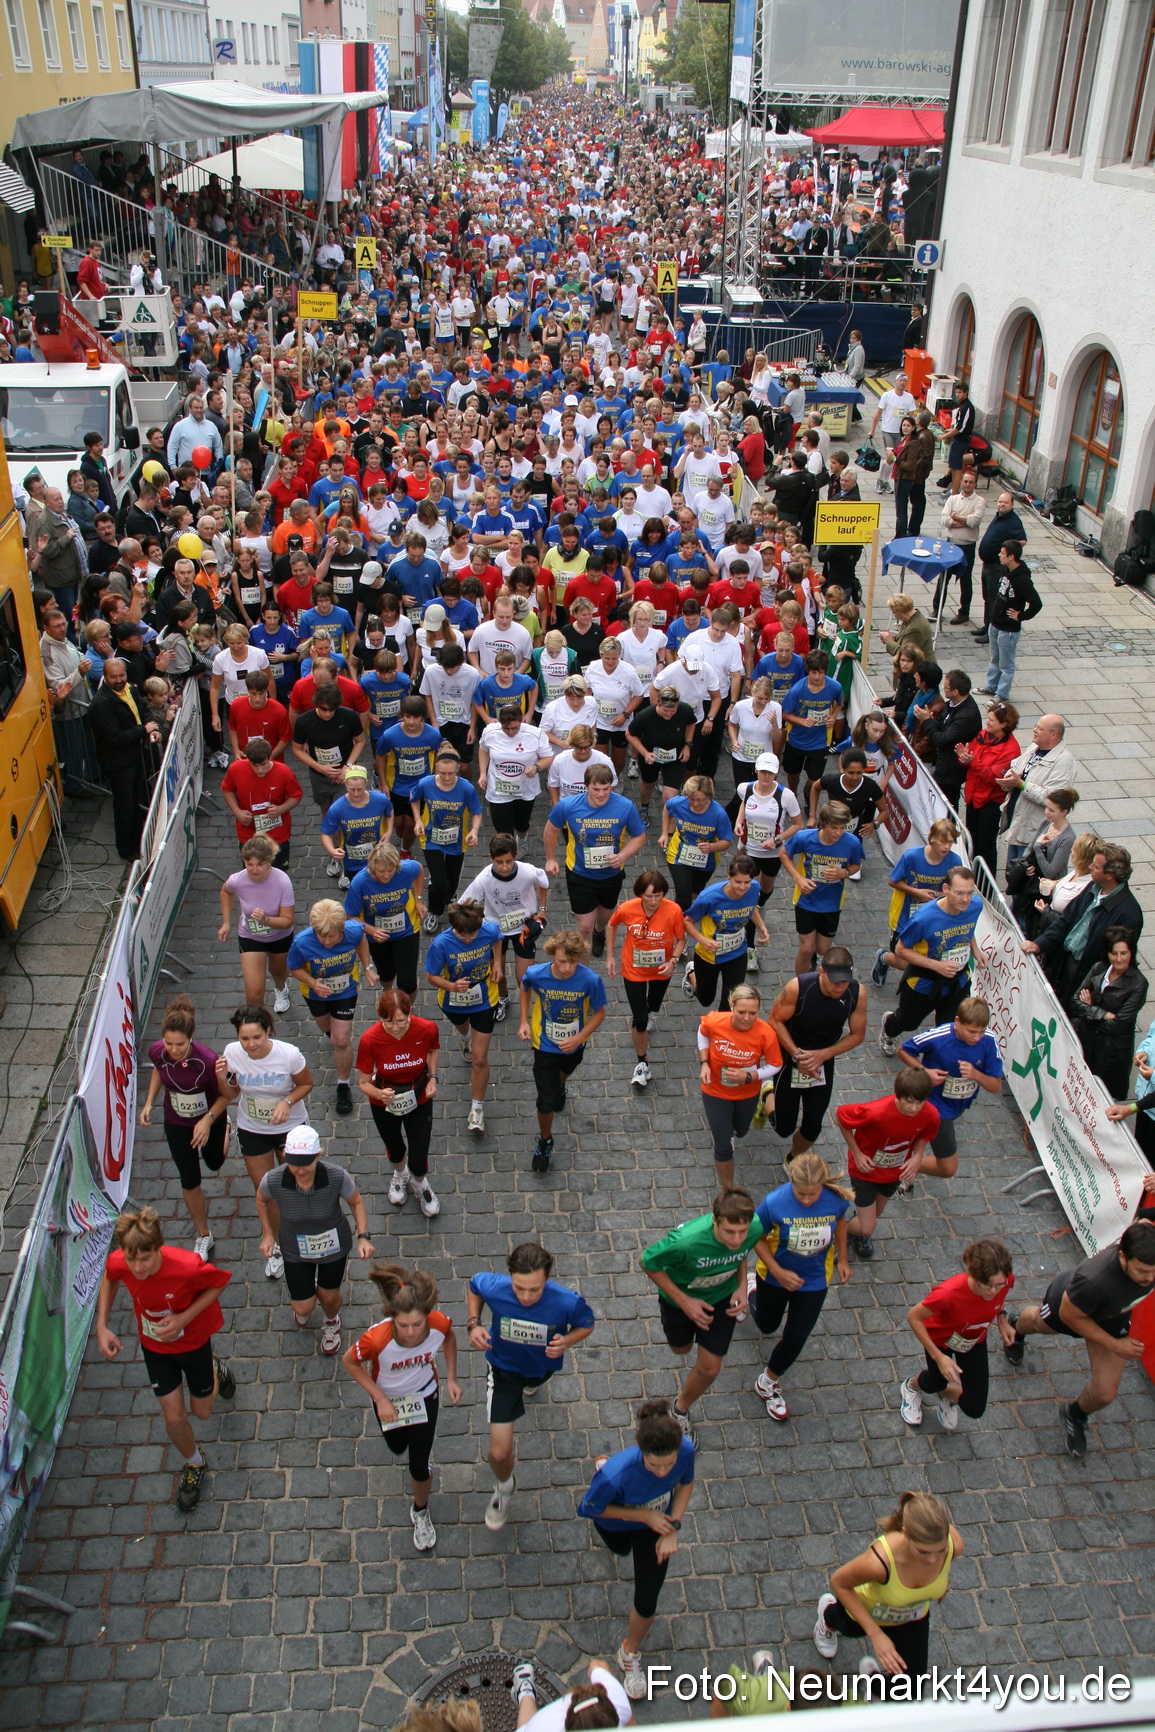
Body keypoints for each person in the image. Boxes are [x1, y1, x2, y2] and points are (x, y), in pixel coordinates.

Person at [95, 1206, 235, 1514]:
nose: (138, 1267)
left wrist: (184, 1317)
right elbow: (109, 1276)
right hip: (156, 1348)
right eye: (132, 1259)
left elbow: (219, 1282)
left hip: (194, 1342)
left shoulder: (187, 1266)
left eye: (145, 1259)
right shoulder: (122, 1262)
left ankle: (214, 1368)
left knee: (202, 1412)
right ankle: (193, 1462)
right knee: (174, 1418)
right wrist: (102, 1325)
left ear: (159, 1248)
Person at [466, 1241, 595, 1529]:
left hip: (541, 1368)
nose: (526, 1296)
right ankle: (504, 1486)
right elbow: (474, 1286)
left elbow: (587, 1324)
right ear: (509, 1276)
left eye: (534, 1289)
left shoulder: (567, 1302)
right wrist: (473, 1323)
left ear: (547, 1279)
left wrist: (567, 1341)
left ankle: (531, 1387)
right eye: (519, 1288)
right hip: (503, 1371)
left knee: (534, 1383)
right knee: (499, 1452)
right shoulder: (494, 1286)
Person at [1003, 1221, 1155, 1457]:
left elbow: (1144, 1219)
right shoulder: (1093, 1280)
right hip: (1071, 1307)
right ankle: (1016, 1328)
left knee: (1105, 1392)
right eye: (1143, 1271)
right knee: (1036, 1323)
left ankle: (1075, 1414)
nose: (1149, 1278)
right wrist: (1115, 1345)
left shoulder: (1147, 1253)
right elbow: (1069, 1316)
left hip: (1112, 1316)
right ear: (1123, 1257)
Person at [577, 1401, 695, 1700]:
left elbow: (685, 1484)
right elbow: (591, 1509)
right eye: (654, 1465)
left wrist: (673, 1526)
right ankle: (603, 1464)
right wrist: (644, 1515)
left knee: (647, 1598)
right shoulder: (617, 1475)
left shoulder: (686, 1450)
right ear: (641, 1452)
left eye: (668, 1463)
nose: (663, 1471)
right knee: (620, 1550)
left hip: (656, 1528)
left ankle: (629, 1653)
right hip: (617, 1524)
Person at [343, 1262, 460, 1552]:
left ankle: (420, 1510)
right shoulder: (376, 1339)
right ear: (392, 1317)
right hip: (389, 1400)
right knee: (396, 1446)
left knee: (418, 1465)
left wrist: (452, 1378)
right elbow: (350, 1361)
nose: (410, 1332)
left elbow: (449, 1340)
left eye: (417, 1324)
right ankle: (403, 1442)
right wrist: (380, 1398)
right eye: (403, 1324)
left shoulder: (439, 1324)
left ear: (427, 1316)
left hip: (424, 1396)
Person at [640, 1186, 774, 1437]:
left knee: (710, 1367)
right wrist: (684, 1301)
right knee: (681, 1349)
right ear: (715, 1221)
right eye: (729, 1232)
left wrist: (742, 1286)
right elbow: (647, 1261)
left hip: (722, 1298)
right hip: (680, 1302)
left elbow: (742, 1252)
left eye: (741, 1232)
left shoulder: (754, 1227)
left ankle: (679, 1410)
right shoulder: (685, 1242)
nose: (736, 1239)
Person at [813, 1492, 963, 1690]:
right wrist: (876, 1635)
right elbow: (839, 1583)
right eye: (923, 1552)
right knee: (844, 1625)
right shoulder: (879, 1562)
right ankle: (827, 1618)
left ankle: (875, 1685)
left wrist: (941, 1585)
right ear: (906, 1533)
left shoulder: (955, 1545)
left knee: (911, 1686)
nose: (932, 1560)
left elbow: (942, 1568)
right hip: (867, 1611)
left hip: (911, 1617)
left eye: (940, 1550)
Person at [748, 1153, 853, 1422]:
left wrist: (843, 1257)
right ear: (791, 1181)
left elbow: (840, 1222)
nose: (807, 1200)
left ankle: (768, 1382)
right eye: (801, 1194)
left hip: (815, 1280)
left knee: (796, 1337)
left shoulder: (836, 1199)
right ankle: (752, 1292)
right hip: (773, 1278)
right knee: (768, 1325)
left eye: (813, 1194)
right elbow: (755, 1237)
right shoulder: (774, 1202)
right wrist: (777, 1270)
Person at [256, 1124, 375, 1358]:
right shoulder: (274, 1179)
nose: (300, 1170)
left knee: (328, 1296)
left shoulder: (336, 1176)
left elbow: (356, 1202)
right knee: (303, 1307)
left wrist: (363, 1236)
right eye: (294, 1163)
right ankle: (308, 1301)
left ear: (318, 1156)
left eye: (306, 1163)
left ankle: (332, 1320)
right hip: (295, 1249)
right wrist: (268, 1233)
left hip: (333, 1247)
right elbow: (262, 1199)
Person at [215, 1003, 314, 1277]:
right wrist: (223, 1078)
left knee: (296, 1184)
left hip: (290, 1127)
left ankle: (300, 1235)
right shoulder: (232, 1053)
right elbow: (231, 1093)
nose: (250, 1044)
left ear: (268, 1031)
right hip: (253, 1127)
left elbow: (306, 1084)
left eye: (256, 1037)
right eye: (244, 1038)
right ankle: (278, 1243)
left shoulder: (289, 1055)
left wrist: (286, 1101)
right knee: (266, 1189)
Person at [139, 996, 232, 1261]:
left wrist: (208, 1120)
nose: (174, 1049)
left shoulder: (207, 1060)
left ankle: (227, 1131)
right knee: (189, 1179)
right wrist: (149, 1103)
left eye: (180, 1044)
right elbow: (159, 1069)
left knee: (215, 1163)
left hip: (209, 1119)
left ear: (191, 1038)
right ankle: (204, 1234)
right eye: (169, 1043)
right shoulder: (158, 1051)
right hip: (177, 1121)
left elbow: (226, 1096)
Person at [899, 1239, 1016, 1433]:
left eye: (999, 1284)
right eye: (987, 1285)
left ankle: (947, 1394)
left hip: (973, 1340)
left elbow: (999, 1299)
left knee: (975, 1407)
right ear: (973, 1274)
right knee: (935, 1381)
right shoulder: (948, 1294)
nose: (993, 1291)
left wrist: (1002, 1321)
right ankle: (911, 1386)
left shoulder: (1005, 1281)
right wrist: (939, 1358)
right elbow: (914, 1317)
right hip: (941, 1341)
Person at [518, 928, 608, 1170]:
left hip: (573, 1045)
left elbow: (600, 1013)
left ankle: (559, 1084)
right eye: (562, 962)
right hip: (544, 1043)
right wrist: (524, 1021)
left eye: (572, 962)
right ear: (552, 956)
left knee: (564, 1072)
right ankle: (545, 1140)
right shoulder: (537, 974)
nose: (567, 968)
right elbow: (524, 986)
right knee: (545, 1102)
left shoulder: (590, 980)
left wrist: (579, 1038)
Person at [767, 949, 866, 1162]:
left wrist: (823, 1055)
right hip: (791, 1058)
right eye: (834, 982)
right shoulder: (799, 987)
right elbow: (774, 1020)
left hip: (822, 1061)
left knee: (813, 1127)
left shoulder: (857, 993)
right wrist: (797, 1055)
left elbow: (858, 1034)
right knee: (783, 1128)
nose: (840, 988)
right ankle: (767, 1093)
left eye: (844, 983)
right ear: (822, 972)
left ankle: (792, 1159)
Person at [355, 988, 442, 1217]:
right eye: (388, 1022)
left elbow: (433, 1050)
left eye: (401, 1021)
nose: (395, 1028)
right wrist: (378, 1094)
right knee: (395, 1149)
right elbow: (363, 1083)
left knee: (419, 1153)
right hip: (385, 1102)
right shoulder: (369, 1040)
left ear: (410, 1011)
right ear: (378, 1015)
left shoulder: (427, 1028)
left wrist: (432, 1078)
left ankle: (420, 1183)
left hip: (419, 1095)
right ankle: (400, 1175)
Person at [897, 994, 1003, 1179]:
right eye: (971, 1031)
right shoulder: (940, 1037)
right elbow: (903, 1050)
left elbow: (995, 1086)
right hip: (936, 1107)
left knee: (917, 1138)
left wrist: (976, 1075)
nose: (977, 1037)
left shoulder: (989, 1040)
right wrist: (924, 1072)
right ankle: (902, 1167)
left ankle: (904, 1163)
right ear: (957, 1022)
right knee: (948, 1168)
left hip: (957, 1105)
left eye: (981, 1031)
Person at [878, 866, 982, 1054]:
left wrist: (975, 948)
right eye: (959, 893)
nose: (965, 899)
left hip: (957, 979)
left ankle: (938, 1061)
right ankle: (889, 1027)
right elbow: (901, 949)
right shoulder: (924, 918)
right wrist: (937, 965)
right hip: (924, 980)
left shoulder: (975, 906)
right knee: (908, 1022)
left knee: (949, 1028)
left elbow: (969, 927)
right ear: (945, 889)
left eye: (969, 893)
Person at [286, 898, 376, 1116]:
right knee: (327, 1029)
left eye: (332, 936)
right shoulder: (301, 942)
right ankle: (333, 1036)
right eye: (321, 935)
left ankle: (343, 1085)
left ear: (341, 929)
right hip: (317, 994)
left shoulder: (353, 930)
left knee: (342, 1039)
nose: (326, 941)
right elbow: (294, 967)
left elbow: (362, 940)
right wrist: (312, 983)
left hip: (346, 990)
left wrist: (367, 966)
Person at [544, 763, 647, 952]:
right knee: (584, 927)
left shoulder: (625, 806)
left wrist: (622, 856)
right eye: (596, 789)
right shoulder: (568, 806)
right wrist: (551, 858)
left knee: (605, 914)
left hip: (611, 873)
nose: (601, 794)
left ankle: (600, 931)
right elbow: (550, 829)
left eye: (606, 789)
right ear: (586, 787)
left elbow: (639, 836)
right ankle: (583, 972)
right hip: (579, 872)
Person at [839, 1070, 940, 1261]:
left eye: (920, 1102)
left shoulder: (930, 1114)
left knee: (877, 1211)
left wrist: (918, 1156)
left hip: (894, 1173)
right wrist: (857, 1153)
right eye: (909, 1102)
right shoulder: (875, 1112)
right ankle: (839, 1230)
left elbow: (925, 1134)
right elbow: (842, 1116)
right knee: (868, 1226)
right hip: (865, 1172)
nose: (914, 1108)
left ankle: (858, 1231)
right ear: (897, 1095)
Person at [1028, 843, 1144, 1008]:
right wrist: (1039, 943)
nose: (1090, 867)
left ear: (1110, 875)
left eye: (1095, 866)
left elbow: (1118, 961)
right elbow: (1065, 921)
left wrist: (1094, 992)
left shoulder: (1129, 914)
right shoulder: (1093, 888)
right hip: (1065, 961)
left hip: (1085, 974)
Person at [424, 900, 503, 1135]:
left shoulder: (488, 930)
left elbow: (498, 938)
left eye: (472, 935)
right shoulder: (441, 944)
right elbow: (430, 976)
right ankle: (466, 1036)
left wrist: (497, 962)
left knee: (479, 1059)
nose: (468, 939)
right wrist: (451, 985)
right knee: (462, 1028)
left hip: (485, 997)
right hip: (453, 1000)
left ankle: (477, 1108)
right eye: (462, 935)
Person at [606, 869, 685, 1089]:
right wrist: (611, 956)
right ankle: (642, 1063)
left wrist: (674, 961)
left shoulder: (674, 911)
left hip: (661, 969)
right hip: (634, 970)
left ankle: (650, 1011)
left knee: (654, 1005)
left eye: (657, 896)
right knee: (639, 1019)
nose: (652, 901)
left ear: (664, 895)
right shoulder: (627, 909)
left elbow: (681, 939)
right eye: (648, 896)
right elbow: (612, 925)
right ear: (640, 894)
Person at [697, 984, 782, 1187]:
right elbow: (702, 1032)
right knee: (724, 1145)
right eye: (741, 1012)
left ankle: (763, 1095)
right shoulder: (716, 1021)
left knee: (741, 1131)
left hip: (747, 1092)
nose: (747, 1018)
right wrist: (705, 1063)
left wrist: (750, 1076)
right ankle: (729, 1189)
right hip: (715, 1091)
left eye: (753, 1013)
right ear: (731, 1006)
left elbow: (776, 1064)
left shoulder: (765, 1033)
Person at [86, 657, 162, 859]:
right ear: (105, 677)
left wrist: (151, 728)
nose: (119, 680)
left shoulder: (130, 688)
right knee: (125, 806)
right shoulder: (101, 704)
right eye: (114, 677)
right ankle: (126, 849)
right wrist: (143, 730)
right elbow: (115, 737)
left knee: (137, 799)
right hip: (119, 762)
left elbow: (143, 710)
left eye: (122, 675)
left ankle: (140, 839)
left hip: (135, 754)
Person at [780, 800, 865, 975]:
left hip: (832, 903)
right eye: (834, 828)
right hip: (806, 900)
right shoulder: (805, 838)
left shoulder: (852, 843)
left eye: (843, 828)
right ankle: (802, 986)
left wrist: (844, 873)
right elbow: (784, 854)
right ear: (823, 824)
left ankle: (812, 957)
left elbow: (856, 865)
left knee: (821, 949)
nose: (839, 832)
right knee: (806, 948)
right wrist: (798, 879)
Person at [1069, 930, 1149, 1101]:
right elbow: (1075, 1001)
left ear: (1131, 953)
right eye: (1114, 953)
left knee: (1101, 1098)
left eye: (1123, 953)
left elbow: (1116, 1025)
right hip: (1086, 1041)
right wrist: (1102, 1014)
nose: (1119, 959)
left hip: (1110, 1052)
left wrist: (1089, 1010)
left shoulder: (1138, 984)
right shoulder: (1099, 968)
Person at [218, 836, 295, 1013]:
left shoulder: (282, 881)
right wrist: (226, 923)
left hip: (279, 936)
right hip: (250, 935)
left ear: (268, 861)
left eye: (259, 864)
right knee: (253, 994)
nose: (254, 869)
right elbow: (226, 891)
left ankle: (281, 988)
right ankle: (260, 1027)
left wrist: (266, 920)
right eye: (249, 864)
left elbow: (288, 920)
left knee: (278, 971)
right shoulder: (238, 880)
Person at [683, 855, 769, 1008]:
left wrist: (761, 926)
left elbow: (751, 907)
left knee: (730, 1004)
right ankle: (692, 973)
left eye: (746, 882)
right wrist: (703, 940)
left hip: (737, 952)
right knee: (705, 999)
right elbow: (687, 921)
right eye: (737, 882)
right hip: (709, 955)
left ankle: (720, 1031)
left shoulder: (754, 888)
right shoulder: (709, 897)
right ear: (728, 875)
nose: (742, 887)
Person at [344, 840, 426, 998]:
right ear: (372, 867)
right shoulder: (360, 882)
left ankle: (406, 1010)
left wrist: (418, 898)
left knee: (407, 983)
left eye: (391, 870)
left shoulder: (406, 869)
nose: (386, 875)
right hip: (377, 937)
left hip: (406, 931)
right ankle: (388, 994)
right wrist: (371, 930)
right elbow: (350, 916)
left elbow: (419, 869)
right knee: (386, 975)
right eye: (381, 871)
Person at [412, 750, 483, 928]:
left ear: (458, 769)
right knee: (439, 881)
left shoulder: (466, 788)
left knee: (451, 881)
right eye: (442, 773)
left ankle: (449, 895)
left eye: (451, 773)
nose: (446, 777)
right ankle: (434, 912)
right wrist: (418, 820)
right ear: (436, 768)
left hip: (457, 841)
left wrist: (474, 831)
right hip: (431, 839)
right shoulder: (426, 784)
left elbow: (477, 812)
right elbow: (414, 799)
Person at [957, 699, 1020, 877]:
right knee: (972, 840)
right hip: (973, 797)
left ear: (1004, 724)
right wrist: (964, 758)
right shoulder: (984, 734)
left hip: (991, 802)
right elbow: (971, 752)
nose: (988, 722)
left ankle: (986, 884)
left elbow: (995, 777)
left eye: (992, 720)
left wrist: (972, 762)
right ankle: (971, 875)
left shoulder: (1011, 750)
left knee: (986, 846)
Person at [660, 774, 734, 914]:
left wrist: (711, 847)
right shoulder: (679, 803)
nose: (695, 803)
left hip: (706, 858)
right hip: (678, 853)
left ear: (709, 796)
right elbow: (667, 809)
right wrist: (665, 833)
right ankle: (680, 923)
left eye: (700, 800)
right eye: (691, 799)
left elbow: (726, 842)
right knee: (683, 897)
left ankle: (690, 910)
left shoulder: (719, 814)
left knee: (695, 891)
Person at [980, 541, 1042, 701]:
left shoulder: (1022, 579)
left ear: (1011, 557)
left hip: (1008, 629)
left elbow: (1036, 603)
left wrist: (1021, 616)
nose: (999, 555)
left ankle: (1002, 694)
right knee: (994, 659)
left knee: (1006, 665)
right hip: (995, 623)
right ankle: (991, 686)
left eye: (1002, 553)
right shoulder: (1006, 570)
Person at [780, 649, 843, 799]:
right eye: (813, 672)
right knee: (793, 773)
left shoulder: (835, 687)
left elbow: (839, 704)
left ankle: (808, 793)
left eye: (821, 673)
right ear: (808, 670)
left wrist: (833, 716)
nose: (817, 677)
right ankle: (793, 794)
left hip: (820, 741)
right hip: (796, 740)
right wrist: (800, 721)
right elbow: (785, 713)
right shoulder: (797, 690)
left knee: (814, 778)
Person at [319, 764, 393, 890]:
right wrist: (332, 851)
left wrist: (389, 831)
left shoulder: (380, 800)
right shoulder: (337, 808)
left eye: (360, 788)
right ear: (345, 784)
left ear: (366, 783)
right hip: (352, 861)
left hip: (378, 857)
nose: (356, 793)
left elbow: (389, 812)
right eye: (352, 789)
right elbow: (326, 833)